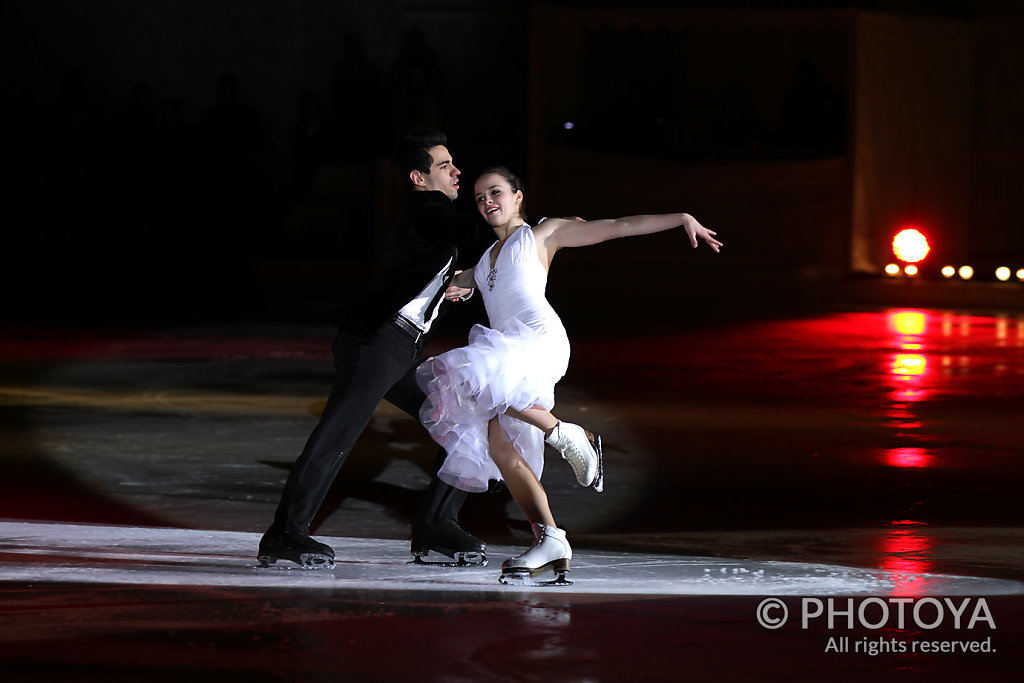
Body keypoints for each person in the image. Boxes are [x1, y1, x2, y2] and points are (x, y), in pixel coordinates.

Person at [417, 167, 722, 584]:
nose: (488, 201)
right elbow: (447, 282)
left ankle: (567, 434)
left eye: (496, 192)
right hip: (508, 352)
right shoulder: (485, 259)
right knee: (503, 452)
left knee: (471, 374)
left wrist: (680, 218)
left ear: (518, 196)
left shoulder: (544, 234)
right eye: (480, 197)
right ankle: (550, 537)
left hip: (537, 340)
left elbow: (619, 226)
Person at [257, 131, 488, 568]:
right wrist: (518, 219)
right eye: (445, 166)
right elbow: (469, 228)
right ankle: (285, 534)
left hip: (402, 349)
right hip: (377, 342)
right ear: (419, 178)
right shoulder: (428, 206)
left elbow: (420, 267)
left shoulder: (430, 216)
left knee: (465, 423)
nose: (457, 172)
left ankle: (435, 527)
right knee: (337, 436)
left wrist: (445, 286)